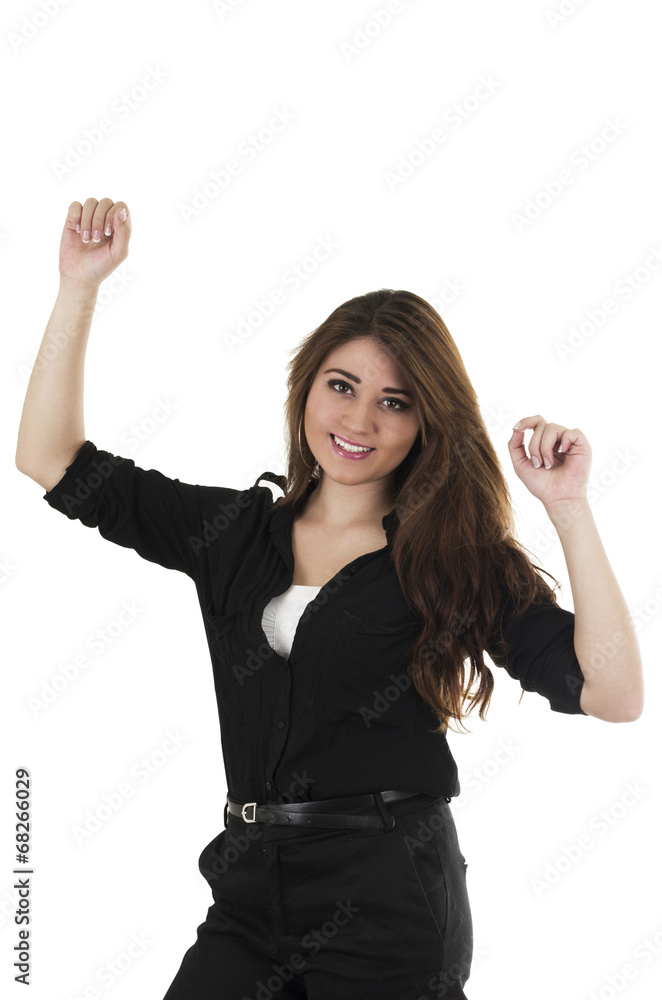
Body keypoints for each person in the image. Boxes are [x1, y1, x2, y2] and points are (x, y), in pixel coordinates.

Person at [16, 198, 644, 1000]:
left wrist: (569, 507)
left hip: (388, 902)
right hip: (249, 893)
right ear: (305, 388)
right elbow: (50, 459)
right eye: (340, 386)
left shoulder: (452, 560)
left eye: (394, 401)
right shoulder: (232, 534)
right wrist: (79, 287)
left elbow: (613, 693)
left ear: (424, 422)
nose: (358, 419)